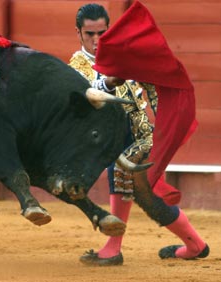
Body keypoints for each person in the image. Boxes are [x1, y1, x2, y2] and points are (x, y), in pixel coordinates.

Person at [68, 3, 209, 266]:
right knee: (139, 191)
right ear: (78, 33)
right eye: (90, 34)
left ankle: (118, 249)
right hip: (111, 140)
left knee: (140, 188)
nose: (96, 40)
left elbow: (155, 87)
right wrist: (109, 82)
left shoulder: (123, 55)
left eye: (102, 33)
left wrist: (167, 126)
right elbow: (85, 90)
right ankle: (194, 245)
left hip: (142, 139)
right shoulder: (77, 64)